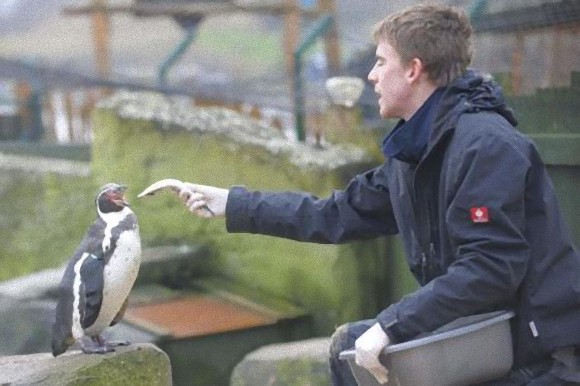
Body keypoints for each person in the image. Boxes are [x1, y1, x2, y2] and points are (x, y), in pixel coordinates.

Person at [173, 4, 580, 385]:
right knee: (350, 347)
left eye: (381, 61)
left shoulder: (486, 145)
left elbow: (490, 267)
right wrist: (233, 204)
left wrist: (391, 324)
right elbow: (334, 214)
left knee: (364, 344)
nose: (371, 75)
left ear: (413, 70)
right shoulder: (413, 152)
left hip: (537, 353)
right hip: (483, 333)